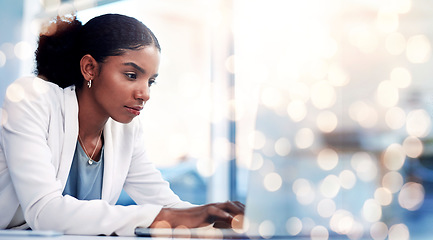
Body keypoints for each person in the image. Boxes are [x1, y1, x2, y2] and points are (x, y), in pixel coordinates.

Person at [0, 13, 244, 236]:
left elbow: (165, 204)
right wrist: (166, 216)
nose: (145, 93)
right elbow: (45, 212)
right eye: (131, 75)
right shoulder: (31, 98)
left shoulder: (124, 127)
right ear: (89, 68)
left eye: (151, 81)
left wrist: (215, 215)